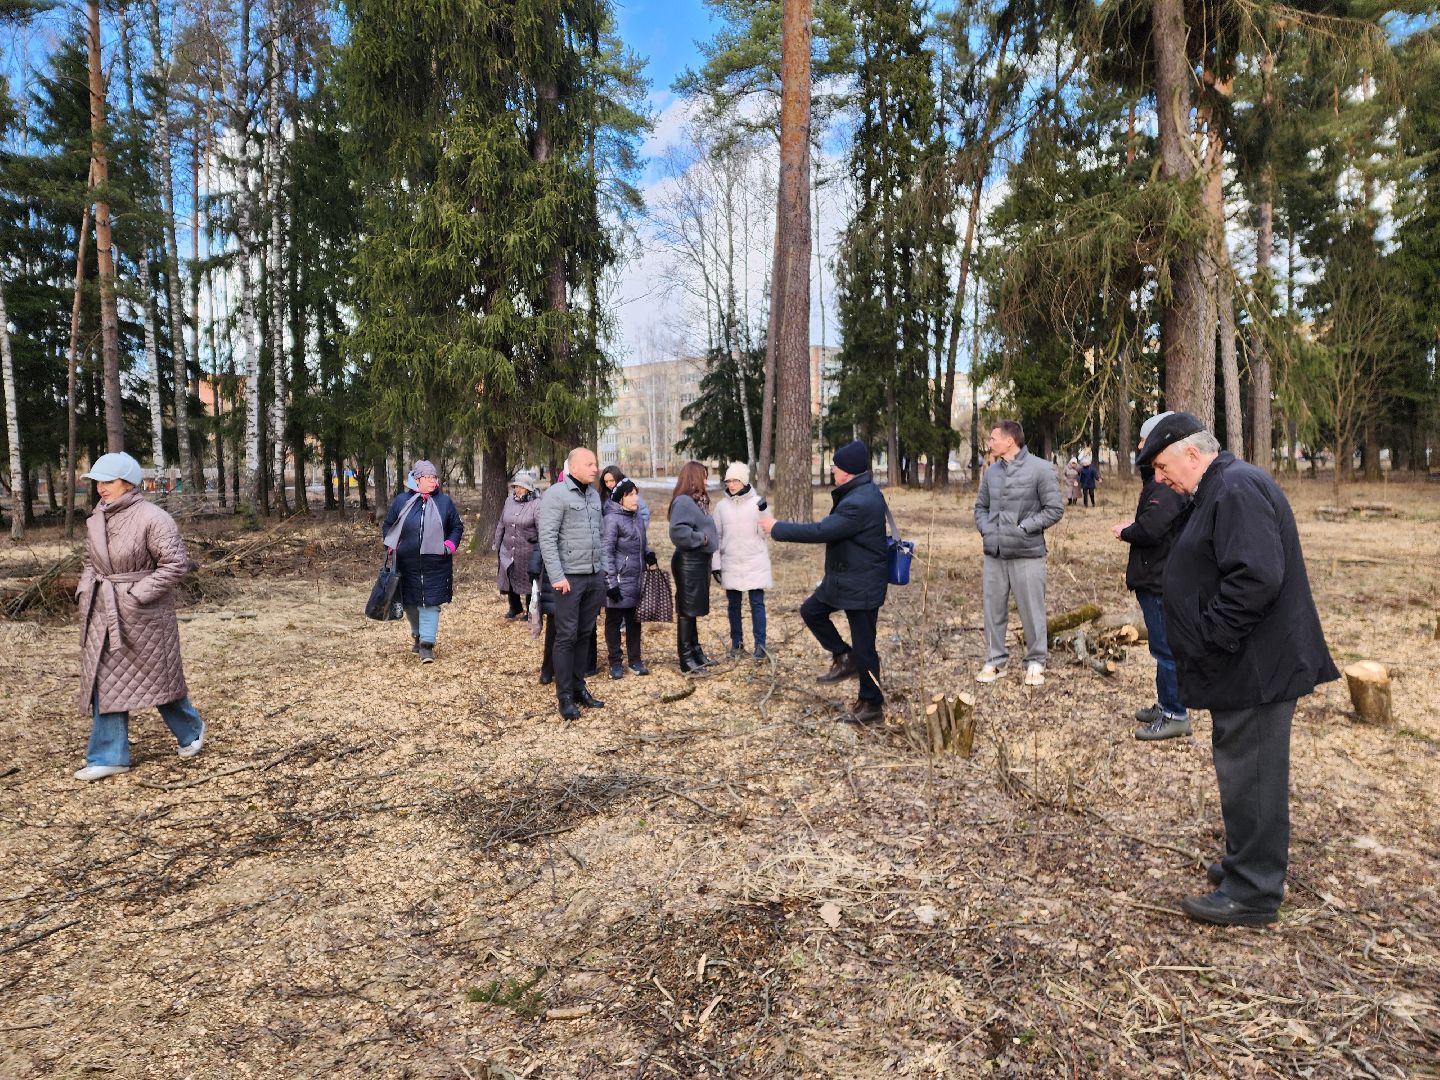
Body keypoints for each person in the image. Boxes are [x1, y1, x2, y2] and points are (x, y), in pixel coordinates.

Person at [1140, 412, 1340, 927]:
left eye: (1162, 466)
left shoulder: (1234, 488)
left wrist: (1212, 638)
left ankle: (1253, 891)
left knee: (1252, 773)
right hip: (1245, 664)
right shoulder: (1218, 487)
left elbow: (1256, 578)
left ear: (1191, 452)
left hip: (1255, 667)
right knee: (1241, 768)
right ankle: (1243, 863)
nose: (1160, 479)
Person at [73, 452, 206, 781]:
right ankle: (110, 754)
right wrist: (84, 590)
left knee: (159, 680)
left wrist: (136, 595)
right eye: (98, 482)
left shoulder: (153, 517)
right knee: (107, 681)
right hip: (104, 611)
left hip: (144, 614)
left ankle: (191, 729)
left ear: (128, 483)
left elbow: (174, 565)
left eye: (108, 481)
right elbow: (92, 563)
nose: (101, 488)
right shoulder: (97, 518)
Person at [760, 439, 889, 725]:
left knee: (865, 645)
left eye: (837, 465)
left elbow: (822, 531)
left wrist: (777, 528)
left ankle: (872, 704)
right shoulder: (858, 492)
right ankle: (845, 656)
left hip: (862, 581)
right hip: (845, 577)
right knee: (812, 611)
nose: (833, 469)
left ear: (850, 471)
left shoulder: (860, 501)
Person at [1112, 412, 1191, 741]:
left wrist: (1126, 531)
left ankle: (1176, 714)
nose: (1140, 448)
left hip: (1161, 580)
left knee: (1166, 649)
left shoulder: (1166, 486)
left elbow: (1153, 527)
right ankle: (1166, 704)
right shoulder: (1157, 479)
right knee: (1161, 649)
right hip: (1155, 577)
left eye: (1145, 441)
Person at [974, 420, 1064, 687]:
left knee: (1031, 609)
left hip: (1028, 553)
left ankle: (1036, 661)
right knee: (993, 609)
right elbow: (980, 507)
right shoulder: (991, 473)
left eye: (993, 439)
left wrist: (1024, 527)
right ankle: (994, 660)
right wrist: (988, 530)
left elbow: (1054, 509)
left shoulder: (1041, 469)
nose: (989, 444)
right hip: (995, 553)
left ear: (1009, 441)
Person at [537, 447, 607, 720]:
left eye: (596, 464)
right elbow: (547, 539)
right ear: (574, 466)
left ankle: (579, 688)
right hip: (568, 579)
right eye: (589, 464)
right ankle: (564, 696)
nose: (595, 468)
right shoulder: (556, 494)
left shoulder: (593, 495)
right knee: (565, 636)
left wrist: (602, 572)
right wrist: (557, 576)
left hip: (593, 576)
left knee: (584, 634)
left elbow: (599, 535)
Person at [381, 460, 464, 662]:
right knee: (411, 603)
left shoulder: (444, 502)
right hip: (406, 563)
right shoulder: (402, 501)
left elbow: (456, 527)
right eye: (428, 478)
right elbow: (389, 524)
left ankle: (427, 645)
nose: (433, 481)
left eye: (435, 477)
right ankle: (417, 635)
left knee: (431, 603)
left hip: (436, 564)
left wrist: (449, 546)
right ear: (417, 480)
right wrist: (392, 545)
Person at [712, 461, 773, 659]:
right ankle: (736, 644)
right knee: (733, 605)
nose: (731, 484)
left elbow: (766, 532)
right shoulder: (721, 507)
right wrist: (715, 565)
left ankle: (760, 646)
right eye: (728, 481)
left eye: (735, 480)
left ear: (744, 481)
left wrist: (764, 510)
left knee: (757, 604)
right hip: (730, 561)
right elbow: (717, 536)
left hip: (754, 560)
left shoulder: (757, 503)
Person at [602, 478, 657, 678]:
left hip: (637, 579)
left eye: (636, 494)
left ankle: (635, 660)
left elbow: (640, 544)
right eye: (630, 495)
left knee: (635, 621)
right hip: (618, 580)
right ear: (620, 499)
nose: (636, 498)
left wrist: (647, 553)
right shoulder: (611, 520)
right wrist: (610, 583)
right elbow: (606, 552)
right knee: (614, 621)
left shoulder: (637, 518)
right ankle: (615, 663)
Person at [667, 461, 718, 673]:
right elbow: (677, 531)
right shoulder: (684, 502)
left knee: (693, 610)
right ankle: (686, 659)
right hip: (688, 562)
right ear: (694, 478)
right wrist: (703, 538)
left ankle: (696, 652)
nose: (706, 481)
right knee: (687, 611)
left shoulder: (698, 502)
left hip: (699, 562)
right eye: (704, 476)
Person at [493, 471, 541, 620]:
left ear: (528, 488)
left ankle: (530, 611)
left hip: (527, 550)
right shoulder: (509, 501)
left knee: (528, 581)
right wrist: (497, 541)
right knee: (509, 576)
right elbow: (502, 522)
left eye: (521, 487)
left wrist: (539, 544)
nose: (518, 490)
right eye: (516, 486)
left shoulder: (537, 503)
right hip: (507, 549)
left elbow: (541, 527)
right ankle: (514, 607)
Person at [600, 464, 652, 532]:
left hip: (632, 538)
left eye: (612, 480)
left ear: (618, 478)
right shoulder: (604, 496)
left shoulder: (631, 492)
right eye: (606, 481)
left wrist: (636, 534)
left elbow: (644, 514)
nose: (609, 484)